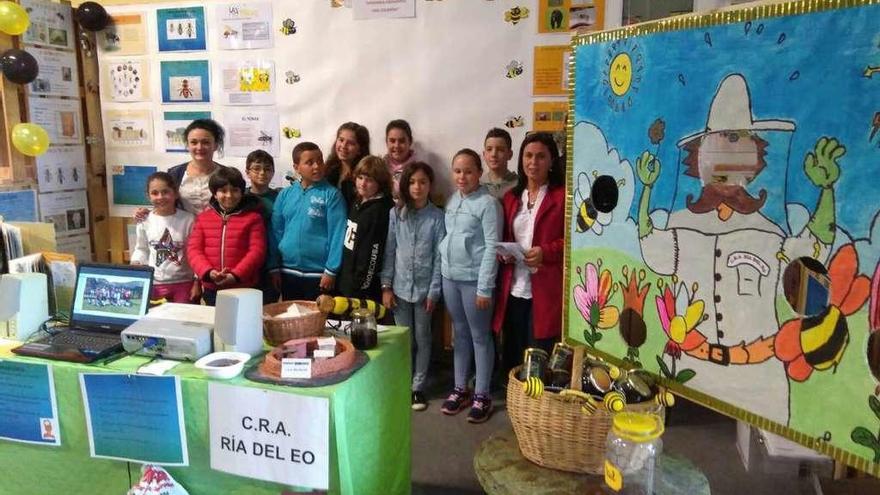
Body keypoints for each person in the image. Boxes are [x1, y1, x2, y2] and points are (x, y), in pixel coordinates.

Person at [634, 74, 842, 424]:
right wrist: (645, 191)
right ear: (699, 162)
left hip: (759, 377)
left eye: (738, 151)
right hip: (688, 370)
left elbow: (813, 252)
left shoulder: (768, 232)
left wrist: (826, 192)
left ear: (754, 162)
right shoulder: (682, 225)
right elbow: (651, 248)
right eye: (717, 153)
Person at [492, 133, 565, 376]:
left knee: (538, 354)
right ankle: (516, 403)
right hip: (513, 288)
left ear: (552, 160)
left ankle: (536, 407)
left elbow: (573, 243)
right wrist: (504, 253)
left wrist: (546, 252)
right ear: (521, 159)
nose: (533, 162)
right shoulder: (511, 198)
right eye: (528, 155)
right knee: (512, 352)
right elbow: (505, 237)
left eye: (541, 156)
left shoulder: (562, 197)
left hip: (544, 289)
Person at [438, 149, 502, 423]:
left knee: (480, 336)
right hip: (450, 277)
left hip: (475, 280)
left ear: (479, 173)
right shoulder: (453, 200)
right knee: (459, 335)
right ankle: (460, 388)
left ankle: (482, 393)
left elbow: (491, 247)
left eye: (468, 171)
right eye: (457, 171)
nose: (462, 176)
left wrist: (484, 287)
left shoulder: (488, 204)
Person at [381, 162, 445, 411]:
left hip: (424, 292)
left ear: (430, 185)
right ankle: (403, 382)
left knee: (423, 337)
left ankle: (418, 387)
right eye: (412, 182)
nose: (417, 187)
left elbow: (440, 258)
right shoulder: (396, 214)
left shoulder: (438, 217)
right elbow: (389, 251)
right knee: (403, 339)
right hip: (399, 289)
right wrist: (386, 286)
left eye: (423, 182)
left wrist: (434, 291)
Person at [270, 142, 347, 301]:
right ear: (296, 167)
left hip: (319, 274)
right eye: (309, 162)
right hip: (287, 272)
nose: (317, 166)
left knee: (317, 322)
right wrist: (274, 267)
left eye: (320, 160)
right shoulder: (285, 195)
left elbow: (338, 234)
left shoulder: (332, 195)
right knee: (292, 320)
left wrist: (331, 270)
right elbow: (275, 232)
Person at [187, 167, 266, 306]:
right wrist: (208, 272)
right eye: (223, 190)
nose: (229, 195)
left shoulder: (253, 218)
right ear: (214, 194)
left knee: (243, 326)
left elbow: (257, 251)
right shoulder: (203, 218)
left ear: (242, 192)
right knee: (217, 326)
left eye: (235, 190)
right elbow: (194, 250)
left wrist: (235, 275)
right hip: (212, 288)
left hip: (244, 287)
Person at [134, 119, 226, 220]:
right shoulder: (175, 174)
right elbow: (164, 202)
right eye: (194, 142)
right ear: (188, 145)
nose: (199, 147)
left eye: (206, 142)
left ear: (216, 145)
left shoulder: (226, 175)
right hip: (182, 233)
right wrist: (148, 213)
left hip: (217, 233)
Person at [130, 172, 200, 304]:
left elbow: (195, 253)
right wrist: (136, 264)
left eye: (165, 192)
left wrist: (197, 281)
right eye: (155, 193)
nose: (160, 197)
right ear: (148, 196)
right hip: (155, 283)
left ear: (176, 193)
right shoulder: (144, 220)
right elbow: (142, 248)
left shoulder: (189, 220)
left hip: (184, 283)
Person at [338, 156, 394, 301]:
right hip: (347, 278)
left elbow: (373, 252)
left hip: (362, 287)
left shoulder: (379, 211)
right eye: (360, 177)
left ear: (379, 183)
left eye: (369, 180)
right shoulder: (357, 202)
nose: (363, 183)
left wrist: (362, 284)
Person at [245, 149, 280, 305]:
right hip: (246, 259)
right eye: (257, 168)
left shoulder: (279, 197)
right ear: (247, 172)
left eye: (267, 169)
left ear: (273, 172)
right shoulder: (241, 197)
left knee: (269, 306)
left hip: (271, 260)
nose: (262, 173)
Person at [325, 122, 370, 207]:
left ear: (360, 149)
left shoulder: (365, 177)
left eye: (351, 143)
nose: (343, 146)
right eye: (341, 140)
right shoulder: (328, 169)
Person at [481, 128, 518, 199]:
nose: (493, 154)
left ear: (510, 154)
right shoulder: (477, 185)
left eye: (500, 150)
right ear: (484, 154)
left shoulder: (519, 185)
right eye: (489, 149)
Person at [385, 119, 417, 200]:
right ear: (386, 142)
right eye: (392, 141)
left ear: (410, 141)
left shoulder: (417, 170)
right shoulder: (379, 166)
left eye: (402, 141)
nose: (397, 145)